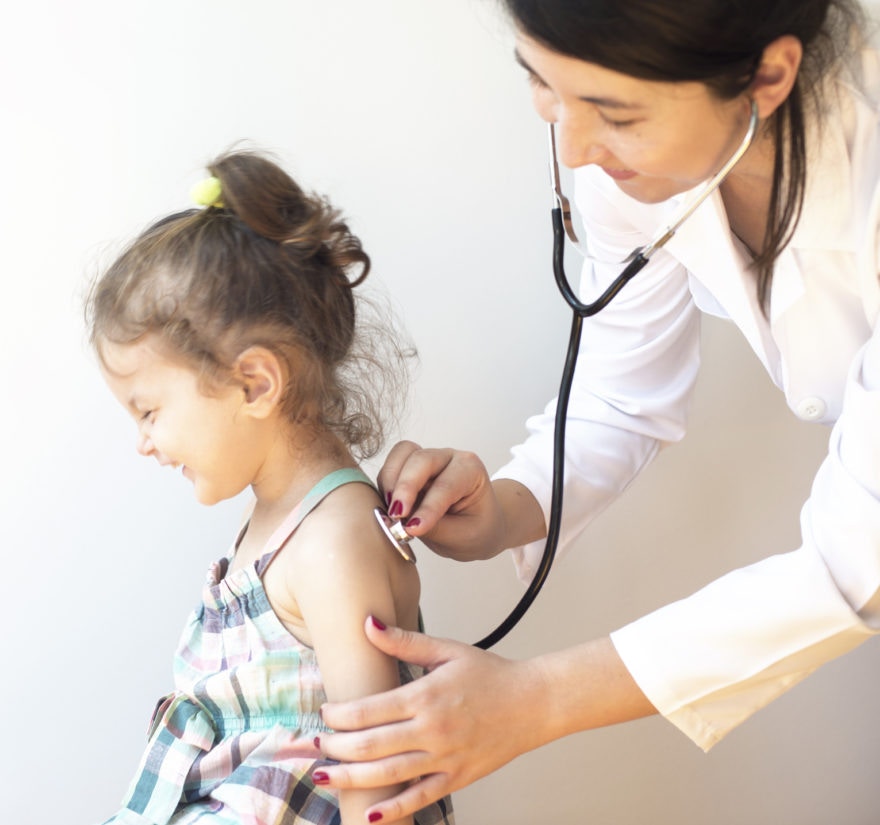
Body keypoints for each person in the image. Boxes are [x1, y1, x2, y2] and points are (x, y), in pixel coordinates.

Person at [311, 0, 880, 822]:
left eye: (615, 115)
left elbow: (852, 562)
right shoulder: (641, 160)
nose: (574, 148)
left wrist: (535, 699)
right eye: (541, 85)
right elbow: (622, 389)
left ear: (769, 74)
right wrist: (508, 507)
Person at [86, 150, 454, 825]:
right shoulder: (280, 520)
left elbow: (375, 776)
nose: (143, 442)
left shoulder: (332, 541)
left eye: (149, 410)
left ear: (254, 383)